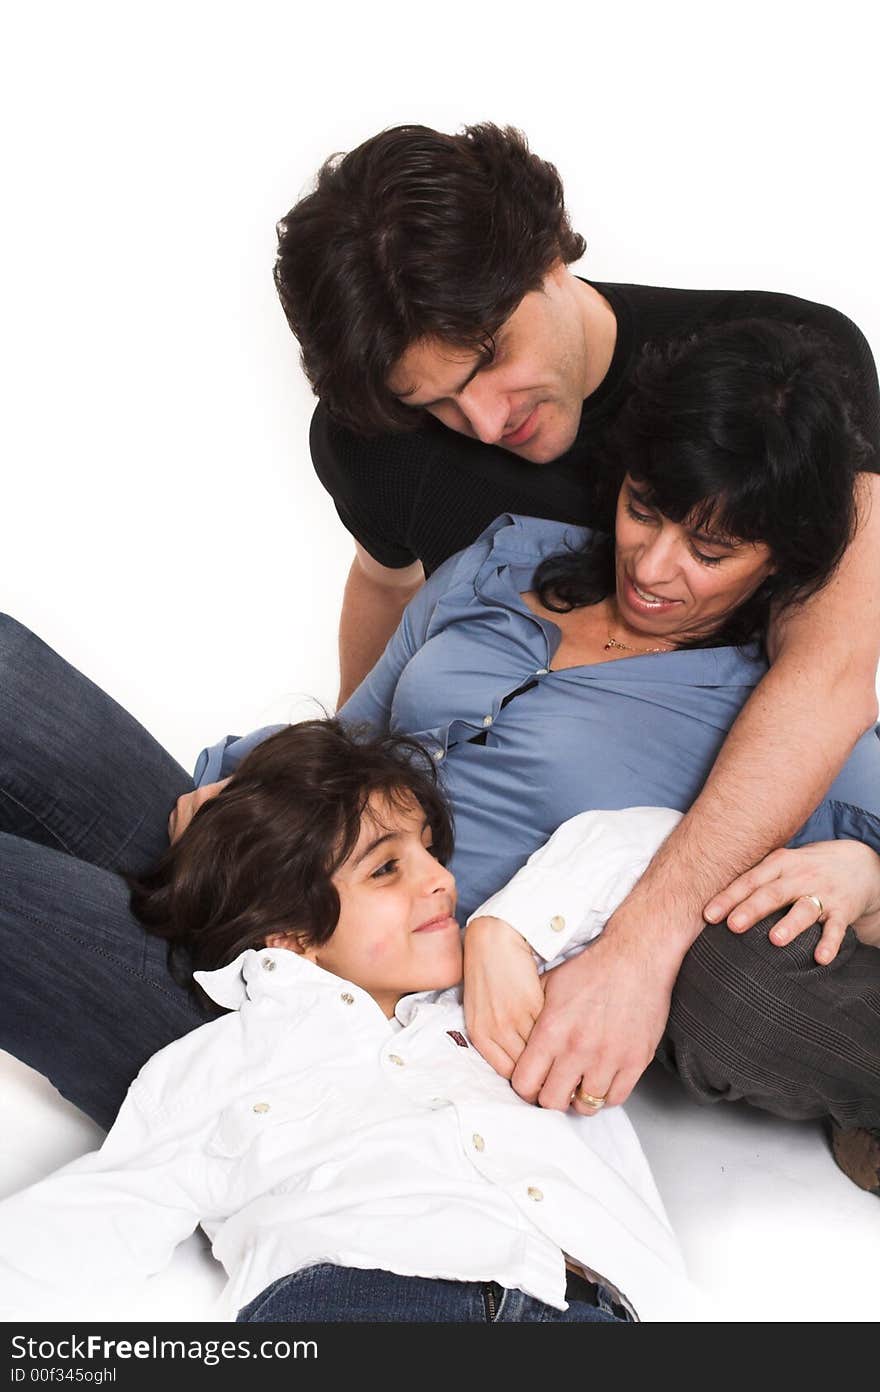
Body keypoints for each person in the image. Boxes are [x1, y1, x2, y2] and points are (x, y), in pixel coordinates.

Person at [1, 318, 878, 1192]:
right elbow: (361, 734)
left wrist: (865, 877)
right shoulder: (507, 561)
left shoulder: (774, 722)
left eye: (710, 551)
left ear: (776, 565)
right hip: (249, 847)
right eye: (642, 509)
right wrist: (247, 776)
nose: (653, 564)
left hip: (322, 1013)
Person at [273, 123, 880, 1178]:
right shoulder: (382, 441)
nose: (479, 420)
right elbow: (385, 579)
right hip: (447, 911)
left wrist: (637, 952)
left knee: (738, 983)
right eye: (431, 403)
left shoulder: (778, 368)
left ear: (548, 253)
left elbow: (823, 677)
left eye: (488, 362)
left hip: (688, 857)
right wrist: (335, 815)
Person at [0, 721, 699, 1324]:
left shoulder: (517, 999)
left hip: (592, 1306)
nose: (440, 880)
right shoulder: (223, 1060)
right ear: (292, 931)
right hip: (359, 1300)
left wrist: (505, 930)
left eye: (431, 852)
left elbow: (663, 839)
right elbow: (100, 1213)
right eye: (387, 868)